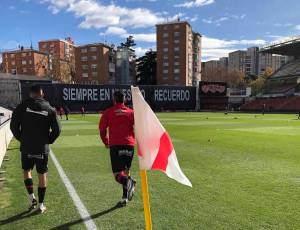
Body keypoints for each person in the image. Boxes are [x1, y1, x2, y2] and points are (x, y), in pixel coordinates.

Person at [10, 85, 61, 213]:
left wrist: (22, 139)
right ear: (41, 93)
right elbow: (58, 129)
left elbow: (13, 126)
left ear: (30, 94)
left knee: (27, 171)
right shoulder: (49, 108)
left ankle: (32, 197)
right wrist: (48, 140)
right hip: (41, 148)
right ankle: (41, 204)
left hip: (27, 147)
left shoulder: (21, 106)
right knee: (42, 174)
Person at [99, 91, 136, 206]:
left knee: (117, 175)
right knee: (126, 171)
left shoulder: (108, 112)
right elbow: (140, 126)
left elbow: (102, 130)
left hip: (116, 145)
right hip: (129, 145)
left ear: (114, 100)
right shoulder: (131, 112)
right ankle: (125, 197)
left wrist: (106, 142)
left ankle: (129, 182)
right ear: (124, 100)